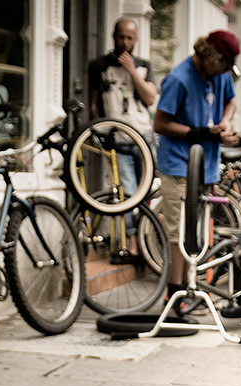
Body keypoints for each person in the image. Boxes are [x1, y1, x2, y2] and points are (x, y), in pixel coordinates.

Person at [154, 30, 240, 313]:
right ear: (210, 56)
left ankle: (193, 288)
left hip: (206, 165)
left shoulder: (221, 74)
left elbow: (231, 101)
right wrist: (199, 132)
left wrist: (225, 123)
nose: (225, 72)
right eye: (223, 65)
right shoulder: (179, 79)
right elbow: (160, 124)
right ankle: (174, 294)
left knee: (200, 232)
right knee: (179, 232)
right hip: (179, 164)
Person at [87, 17, 158, 264]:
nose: (125, 42)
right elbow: (95, 103)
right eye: (121, 37)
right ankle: (134, 247)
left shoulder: (143, 65)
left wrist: (131, 71)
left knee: (147, 193)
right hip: (118, 139)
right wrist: (101, 131)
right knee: (128, 193)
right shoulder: (99, 66)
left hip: (144, 138)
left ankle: (148, 243)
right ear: (113, 36)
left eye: (130, 38)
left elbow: (150, 99)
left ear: (135, 40)